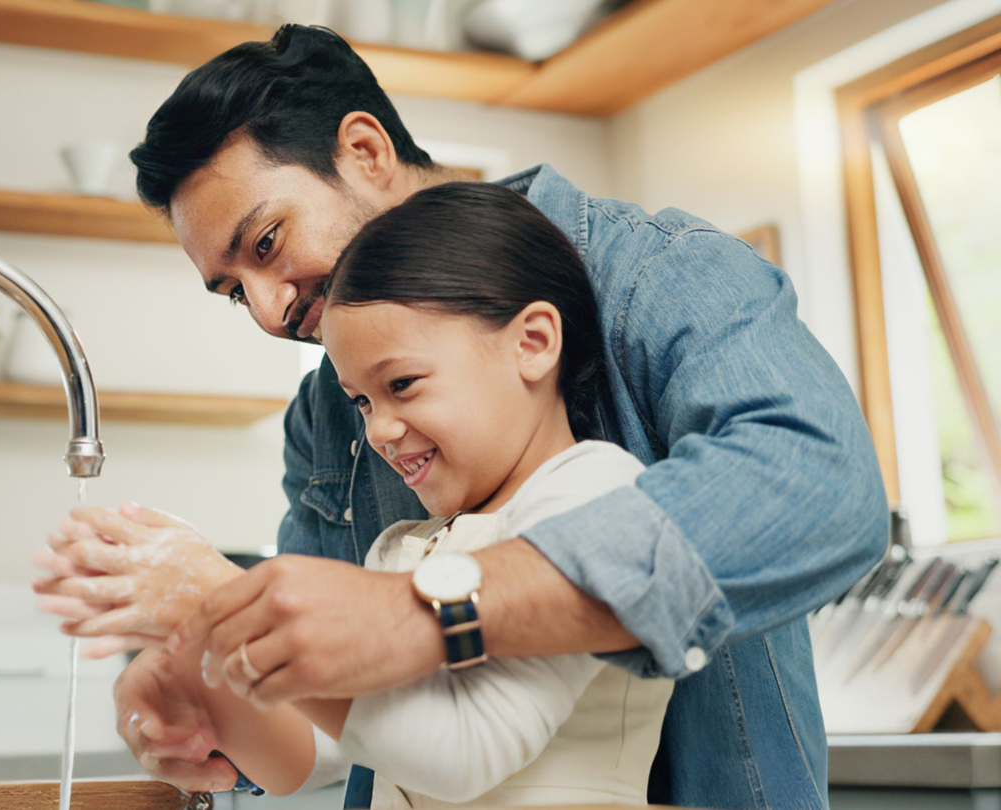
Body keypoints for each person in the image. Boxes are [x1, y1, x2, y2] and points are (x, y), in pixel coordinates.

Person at [34, 24, 887, 810]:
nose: (265, 310)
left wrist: (423, 613)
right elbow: (328, 721)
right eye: (231, 292)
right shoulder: (326, 417)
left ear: (365, 152)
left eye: (265, 244)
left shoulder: (653, 277)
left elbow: (822, 487)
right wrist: (211, 683)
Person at [40, 181, 676, 807]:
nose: (378, 430)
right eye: (362, 402)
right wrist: (204, 683)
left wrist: (214, 599)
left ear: (532, 343)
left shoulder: (595, 491)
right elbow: (319, 751)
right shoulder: (400, 552)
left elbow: (468, 751)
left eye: (401, 383)